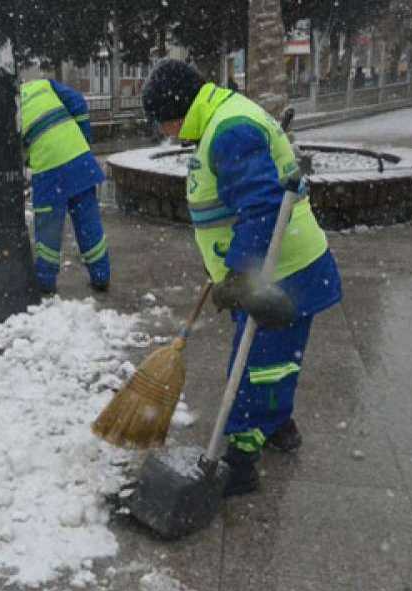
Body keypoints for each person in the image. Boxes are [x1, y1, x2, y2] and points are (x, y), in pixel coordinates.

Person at [141, 60, 343, 497]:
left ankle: (242, 459)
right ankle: (279, 425)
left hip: (277, 272)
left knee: (255, 367)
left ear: (177, 111)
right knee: (275, 356)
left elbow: (262, 207)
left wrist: (240, 273)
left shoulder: (230, 129)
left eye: (164, 124)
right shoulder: (221, 116)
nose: (167, 134)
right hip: (277, 268)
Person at [0, 78, 110, 294]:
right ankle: (101, 276)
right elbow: (78, 101)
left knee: (48, 227)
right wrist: (83, 137)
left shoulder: (3, 112)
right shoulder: (42, 84)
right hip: (81, 160)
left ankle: (45, 283)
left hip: (50, 169)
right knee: (88, 221)